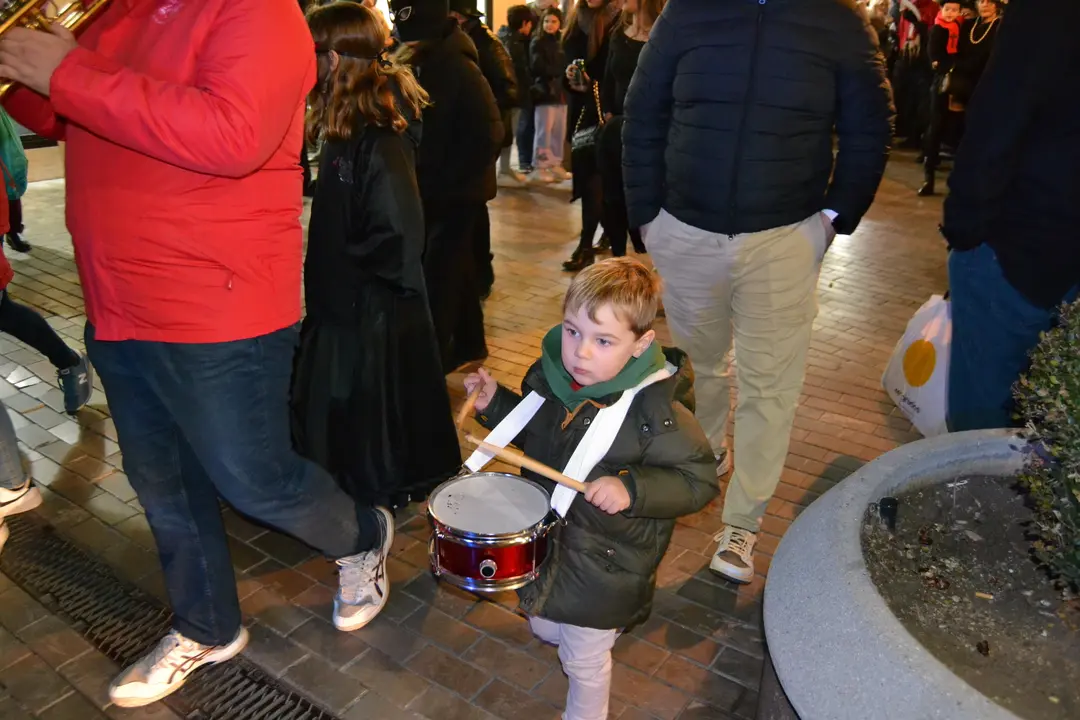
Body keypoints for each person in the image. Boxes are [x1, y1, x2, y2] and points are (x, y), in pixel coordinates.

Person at [0, 0, 395, 707]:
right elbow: (63, 113)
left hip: (220, 301)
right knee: (162, 485)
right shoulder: (109, 15)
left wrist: (70, 69)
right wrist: (34, 68)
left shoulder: (258, 11)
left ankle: (364, 534)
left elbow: (233, 134)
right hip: (118, 299)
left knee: (255, 481)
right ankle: (208, 627)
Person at [623, 0, 893, 583]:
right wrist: (648, 218)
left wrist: (832, 220)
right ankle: (708, 451)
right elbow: (642, 115)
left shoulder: (838, 22)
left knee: (772, 385)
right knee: (700, 365)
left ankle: (742, 523)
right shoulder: (688, 14)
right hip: (685, 231)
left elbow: (870, 128)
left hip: (784, 237)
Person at [464, 257, 716, 720]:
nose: (579, 353)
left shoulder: (656, 413)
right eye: (573, 331)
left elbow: (698, 481)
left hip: (607, 564)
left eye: (603, 341)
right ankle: (590, 629)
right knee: (544, 624)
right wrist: (495, 404)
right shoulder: (554, 378)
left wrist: (632, 488)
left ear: (640, 344)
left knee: (582, 659)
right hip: (555, 544)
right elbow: (537, 436)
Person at [291, 2, 461, 512]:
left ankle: (367, 510)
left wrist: (347, 270)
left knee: (367, 432)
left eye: (311, 54)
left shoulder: (379, 137)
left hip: (366, 314)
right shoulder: (350, 128)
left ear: (338, 59)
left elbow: (400, 236)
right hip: (346, 305)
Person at [943, 0, 1079, 432]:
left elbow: (998, 119)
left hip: (1020, 248)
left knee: (980, 429)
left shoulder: (1047, 13)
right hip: (1044, 244)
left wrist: (966, 231)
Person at [391, 0, 503, 373]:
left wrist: (454, 180)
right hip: (438, 188)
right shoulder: (425, 61)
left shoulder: (457, 67)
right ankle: (470, 343)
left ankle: (431, 361)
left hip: (456, 193)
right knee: (458, 270)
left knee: (439, 275)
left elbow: (490, 132)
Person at [597, 0, 664, 257]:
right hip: (616, 130)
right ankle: (618, 259)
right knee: (612, 198)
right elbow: (608, 78)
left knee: (643, 197)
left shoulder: (663, 35)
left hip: (649, 134)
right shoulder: (618, 32)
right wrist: (607, 114)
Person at [561, 0, 619, 273]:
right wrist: (570, 76)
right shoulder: (576, 19)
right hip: (582, 112)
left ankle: (587, 243)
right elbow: (566, 63)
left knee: (599, 180)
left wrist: (593, 80)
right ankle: (599, 235)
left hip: (607, 112)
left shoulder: (619, 19)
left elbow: (618, 71)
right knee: (588, 179)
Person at [919, 0, 963, 196]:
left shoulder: (960, 27)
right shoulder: (938, 29)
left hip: (957, 82)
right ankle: (929, 174)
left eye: (954, 10)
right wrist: (948, 65)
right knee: (936, 125)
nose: (950, 13)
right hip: (942, 81)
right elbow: (934, 57)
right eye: (947, 9)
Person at [498, 4, 537, 180]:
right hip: (513, 95)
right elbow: (521, 72)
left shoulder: (501, 37)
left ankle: (504, 169)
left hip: (503, 94)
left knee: (505, 133)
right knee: (508, 133)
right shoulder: (516, 43)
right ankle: (504, 170)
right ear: (525, 23)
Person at [530, 8, 570, 184]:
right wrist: (557, 71)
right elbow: (537, 67)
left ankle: (556, 164)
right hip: (544, 91)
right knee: (543, 131)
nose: (549, 25)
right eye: (546, 21)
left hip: (561, 92)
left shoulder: (562, 41)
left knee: (558, 131)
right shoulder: (537, 41)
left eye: (553, 21)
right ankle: (540, 165)